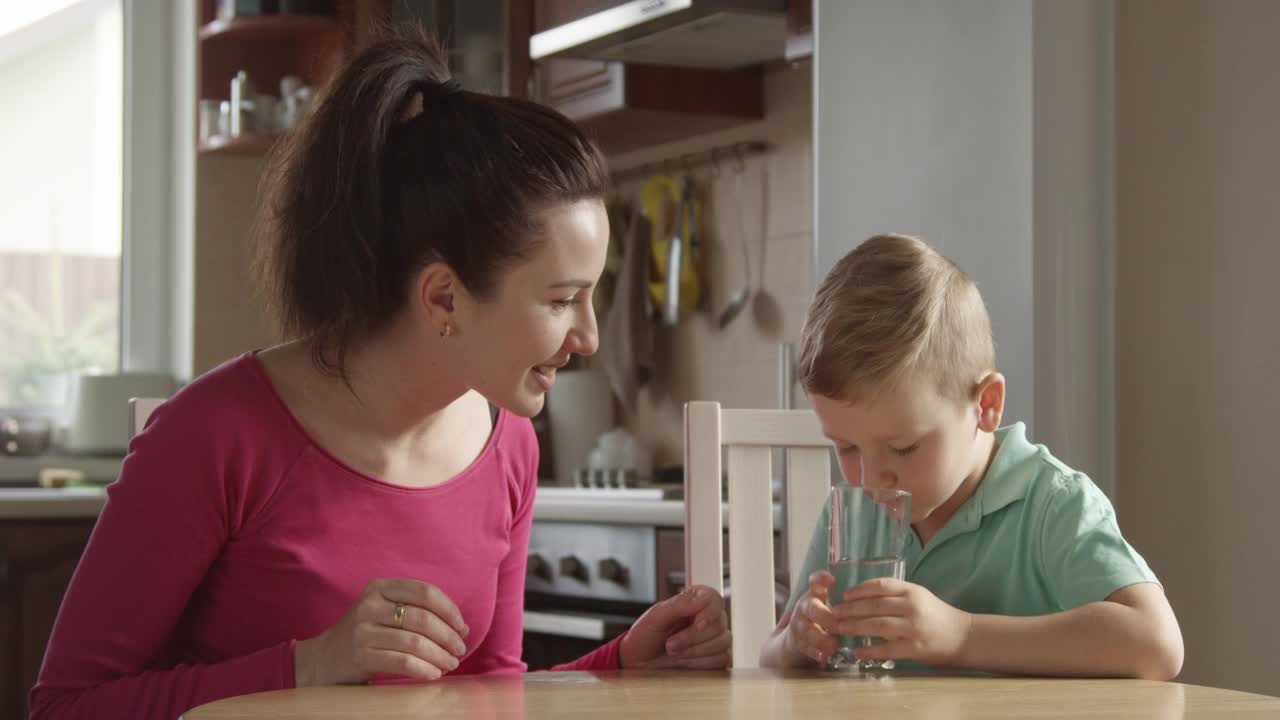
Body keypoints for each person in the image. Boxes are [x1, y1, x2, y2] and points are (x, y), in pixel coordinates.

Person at [31, 27, 730, 720]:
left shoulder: (508, 442)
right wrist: (312, 664)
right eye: (560, 299)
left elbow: (489, 693)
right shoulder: (214, 435)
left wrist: (620, 666)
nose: (588, 337)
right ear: (444, 297)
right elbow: (66, 706)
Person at [759, 233, 1183, 679]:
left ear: (985, 406)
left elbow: (1157, 644)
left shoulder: (1050, 504)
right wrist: (796, 644)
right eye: (845, 447)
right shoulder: (849, 515)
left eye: (903, 447)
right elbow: (771, 657)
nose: (870, 479)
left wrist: (961, 635)